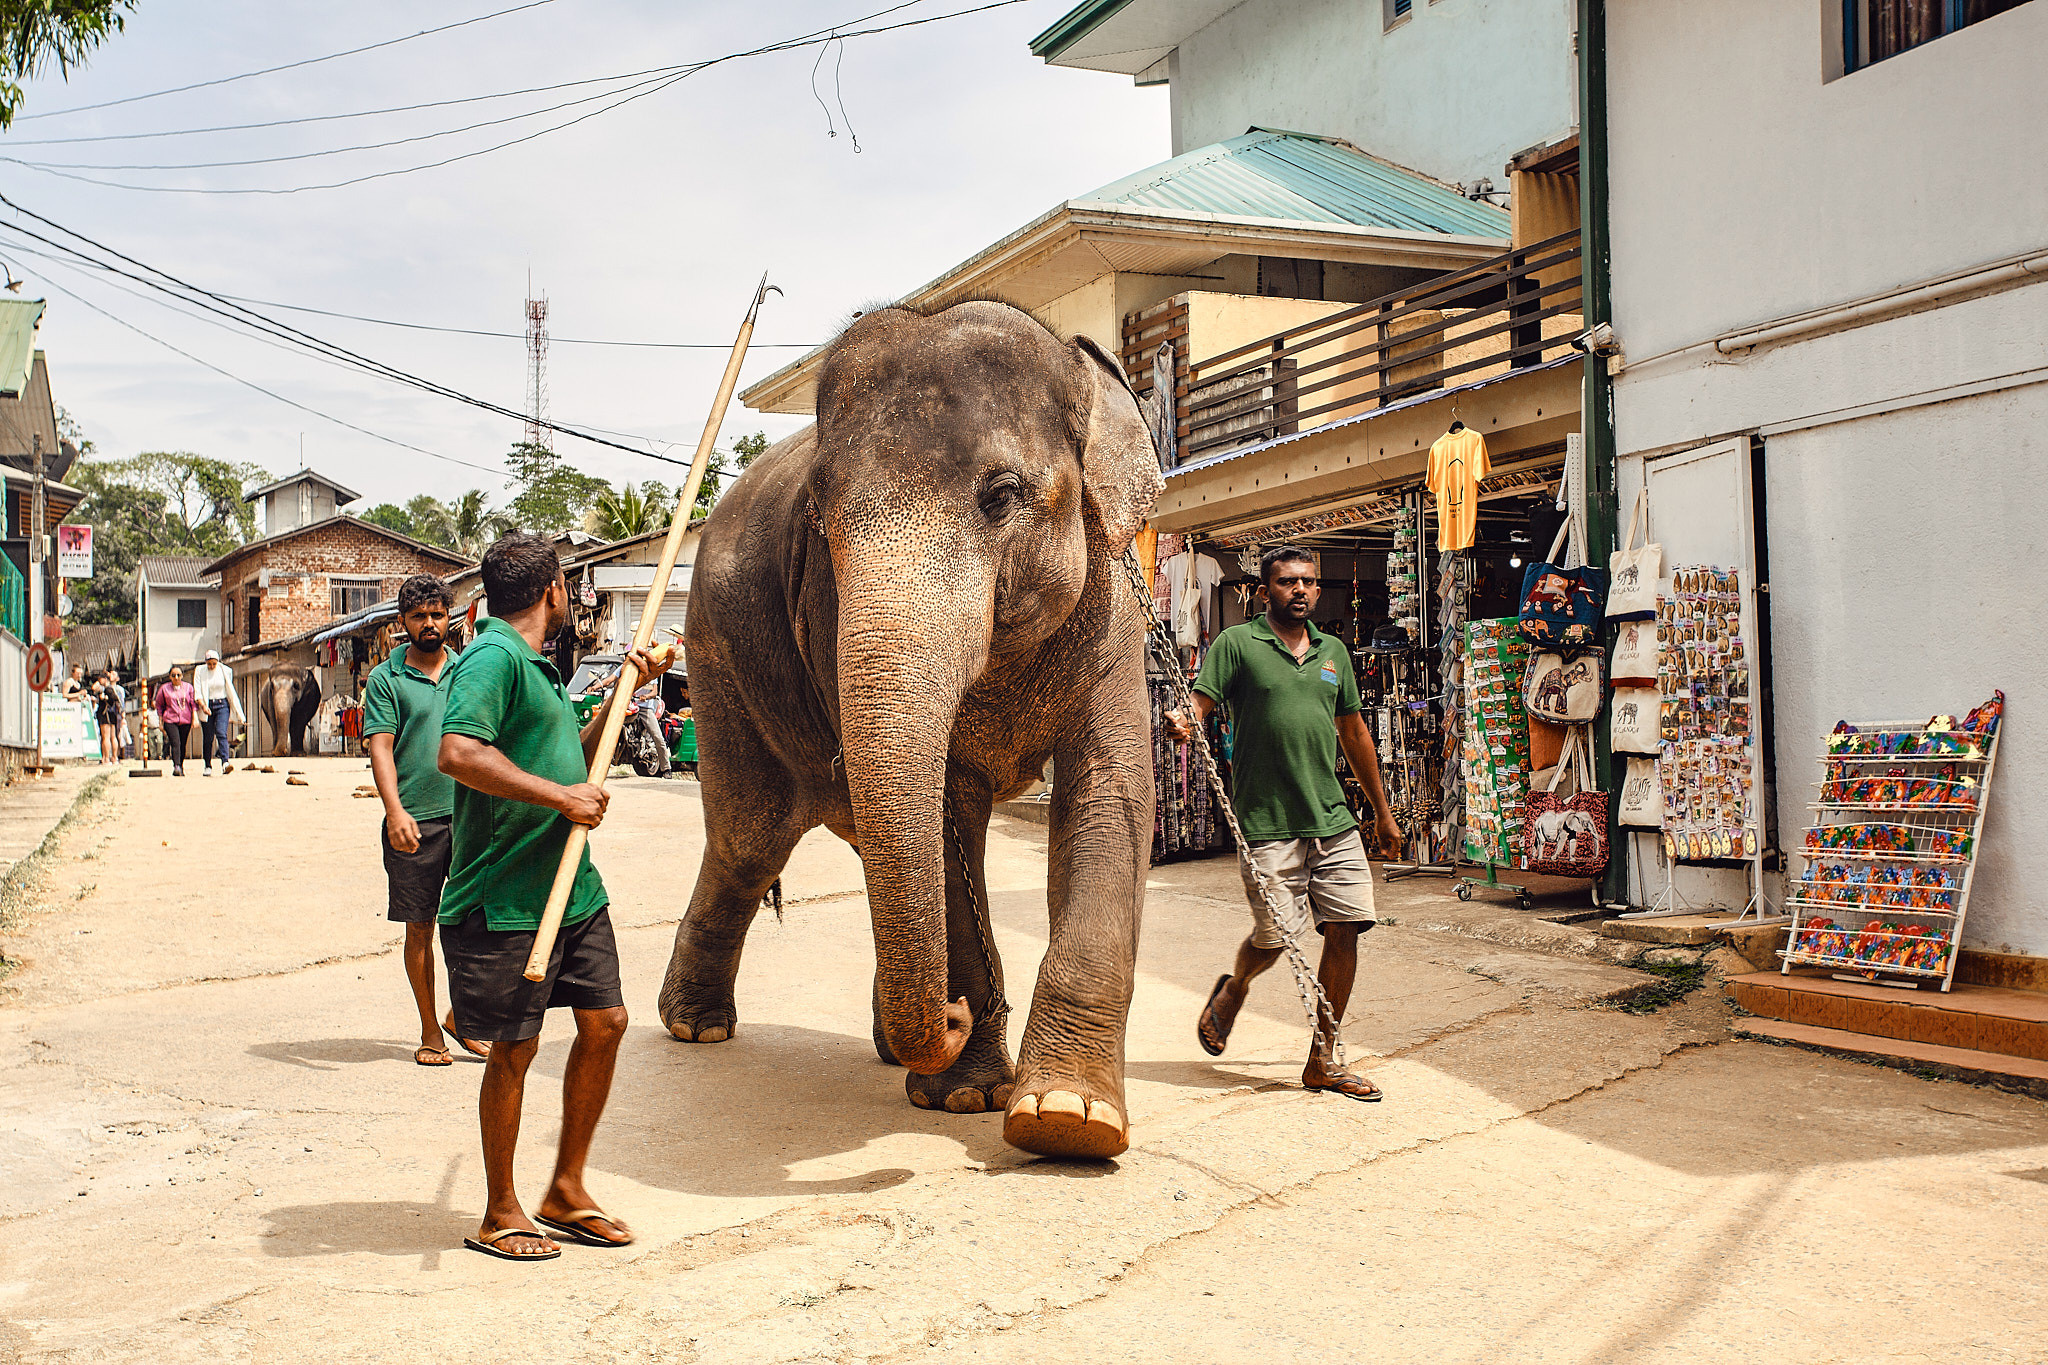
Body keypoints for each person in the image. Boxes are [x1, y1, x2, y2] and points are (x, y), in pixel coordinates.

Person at [436, 533, 670, 1262]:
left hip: (570, 886)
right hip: (503, 895)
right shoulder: (493, 655)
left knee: (606, 1021)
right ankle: (500, 1210)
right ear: (555, 591)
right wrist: (559, 797)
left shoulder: (535, 665)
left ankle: (565, 1188)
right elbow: (459, 751)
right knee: (515, 1047)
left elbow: (575, 748)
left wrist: (627, 689)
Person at [1168, 544, 1403, 1103]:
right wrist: (1185, 719)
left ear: (1318, 590)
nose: (1299, 590)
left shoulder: (1334, 653)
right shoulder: (1237, 644)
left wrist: (1383, 813)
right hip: (1266, 819)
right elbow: (1201, 701)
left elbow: (1354, 733)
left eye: (1307, 582)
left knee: (1346, 927)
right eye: (1286, 582)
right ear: (1264, 590)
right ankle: (1236, 987)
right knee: (1275, 937)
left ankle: (1323, 1058)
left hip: (1331, 816)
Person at [364, 575, 487, 1068]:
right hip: (413, 824)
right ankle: (431, 1030)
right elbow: (381, 748)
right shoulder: (385, 679)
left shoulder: (468, 673)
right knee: (421, 929)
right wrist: (394, 810)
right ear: (403, 623)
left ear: (449, 618)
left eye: (437, 615)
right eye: (419, 617)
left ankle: (463, 1017)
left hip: (471, 817)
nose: (430, 624)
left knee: (482, 924)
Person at [191, 649, 245, 775]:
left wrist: (236, 713)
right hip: (207, 705)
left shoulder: (225, 670)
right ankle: (208, 765)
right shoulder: (200, 671)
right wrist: (203, 706)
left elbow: (229, 690)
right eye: (209, 664)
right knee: (208, 737)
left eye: (214, 664)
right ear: (205, 662)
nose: (211, 666)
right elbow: (197, 691)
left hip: (222, 705)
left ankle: (225, 762)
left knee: (221, 732)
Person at [152, 666, 200, 776]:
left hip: (185, 719)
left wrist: (194, 717)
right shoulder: (164, 689)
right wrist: (160, 721)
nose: (176, 678)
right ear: (170, 677)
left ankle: (181, 765)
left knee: (183, 744)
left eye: (178, 675)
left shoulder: (188, 687)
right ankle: (176, 766)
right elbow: (159, 705)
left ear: (182, 676)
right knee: (175, 743)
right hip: (170, 719)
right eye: (173, 675)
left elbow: (193, 704)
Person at [92, 673, 121, 765]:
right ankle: (114, 757)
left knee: (106, 737)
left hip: (105, 714)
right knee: (113, 736)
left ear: (104, 679)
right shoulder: (112, 689)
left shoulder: (107, 689)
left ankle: (106, 758)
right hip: (113, 714)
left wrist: (104, 698)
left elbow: (93, 688)